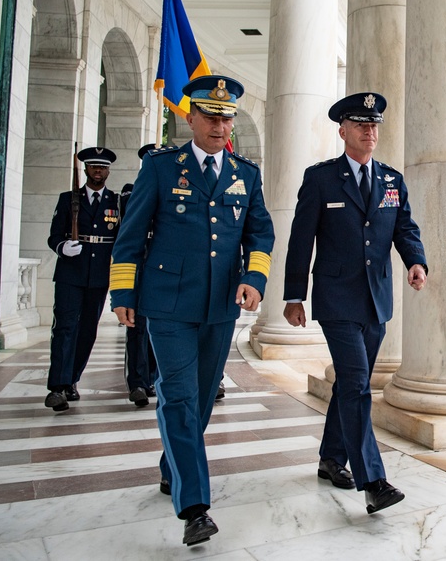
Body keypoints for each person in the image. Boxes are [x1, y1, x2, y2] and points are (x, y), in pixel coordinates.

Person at [109, 75, 274, 546]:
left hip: (221, 306)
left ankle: (172, 467)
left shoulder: (246, 173)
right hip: (168, 304)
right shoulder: (162, 168)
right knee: (178, 396)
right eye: (211, 116)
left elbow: (259, 233)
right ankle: (195, 506)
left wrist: (254, 279)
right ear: (190, 117)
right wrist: (124, 295)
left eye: (227, 117)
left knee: (200, 402)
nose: (221, 125)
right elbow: (131, 235)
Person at [283, 92, 427, 515]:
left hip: (376, 300)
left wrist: (416, 261)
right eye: (361, 125)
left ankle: (331, 459)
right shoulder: (321, 179)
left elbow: (405, 228)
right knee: (359, 385)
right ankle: (373, 480)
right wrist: (294, 296)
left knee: (350, 385)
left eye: (374, 125)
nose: (370, 132)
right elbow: (300, 240)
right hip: (336, 299)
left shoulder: (391, 180)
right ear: (343, 130)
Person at [44, 147, 119, 412]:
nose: (98, 171)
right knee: (64, 327)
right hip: (70, 272)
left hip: (99, 275)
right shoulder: (68, 199)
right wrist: (62, 246)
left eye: (102, 167)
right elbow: (54, 236)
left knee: (87, 330)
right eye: (93, 167)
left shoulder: (116, 202)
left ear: (108, 171)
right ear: (86, 170)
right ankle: (57, 386)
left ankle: (72, 380)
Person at [120, 143, 159, 407]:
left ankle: (154, 379)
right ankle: (137, 382)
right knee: (137, 329)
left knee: (158, 329)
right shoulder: (128, 195)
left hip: (161, 270)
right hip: (139, 269)